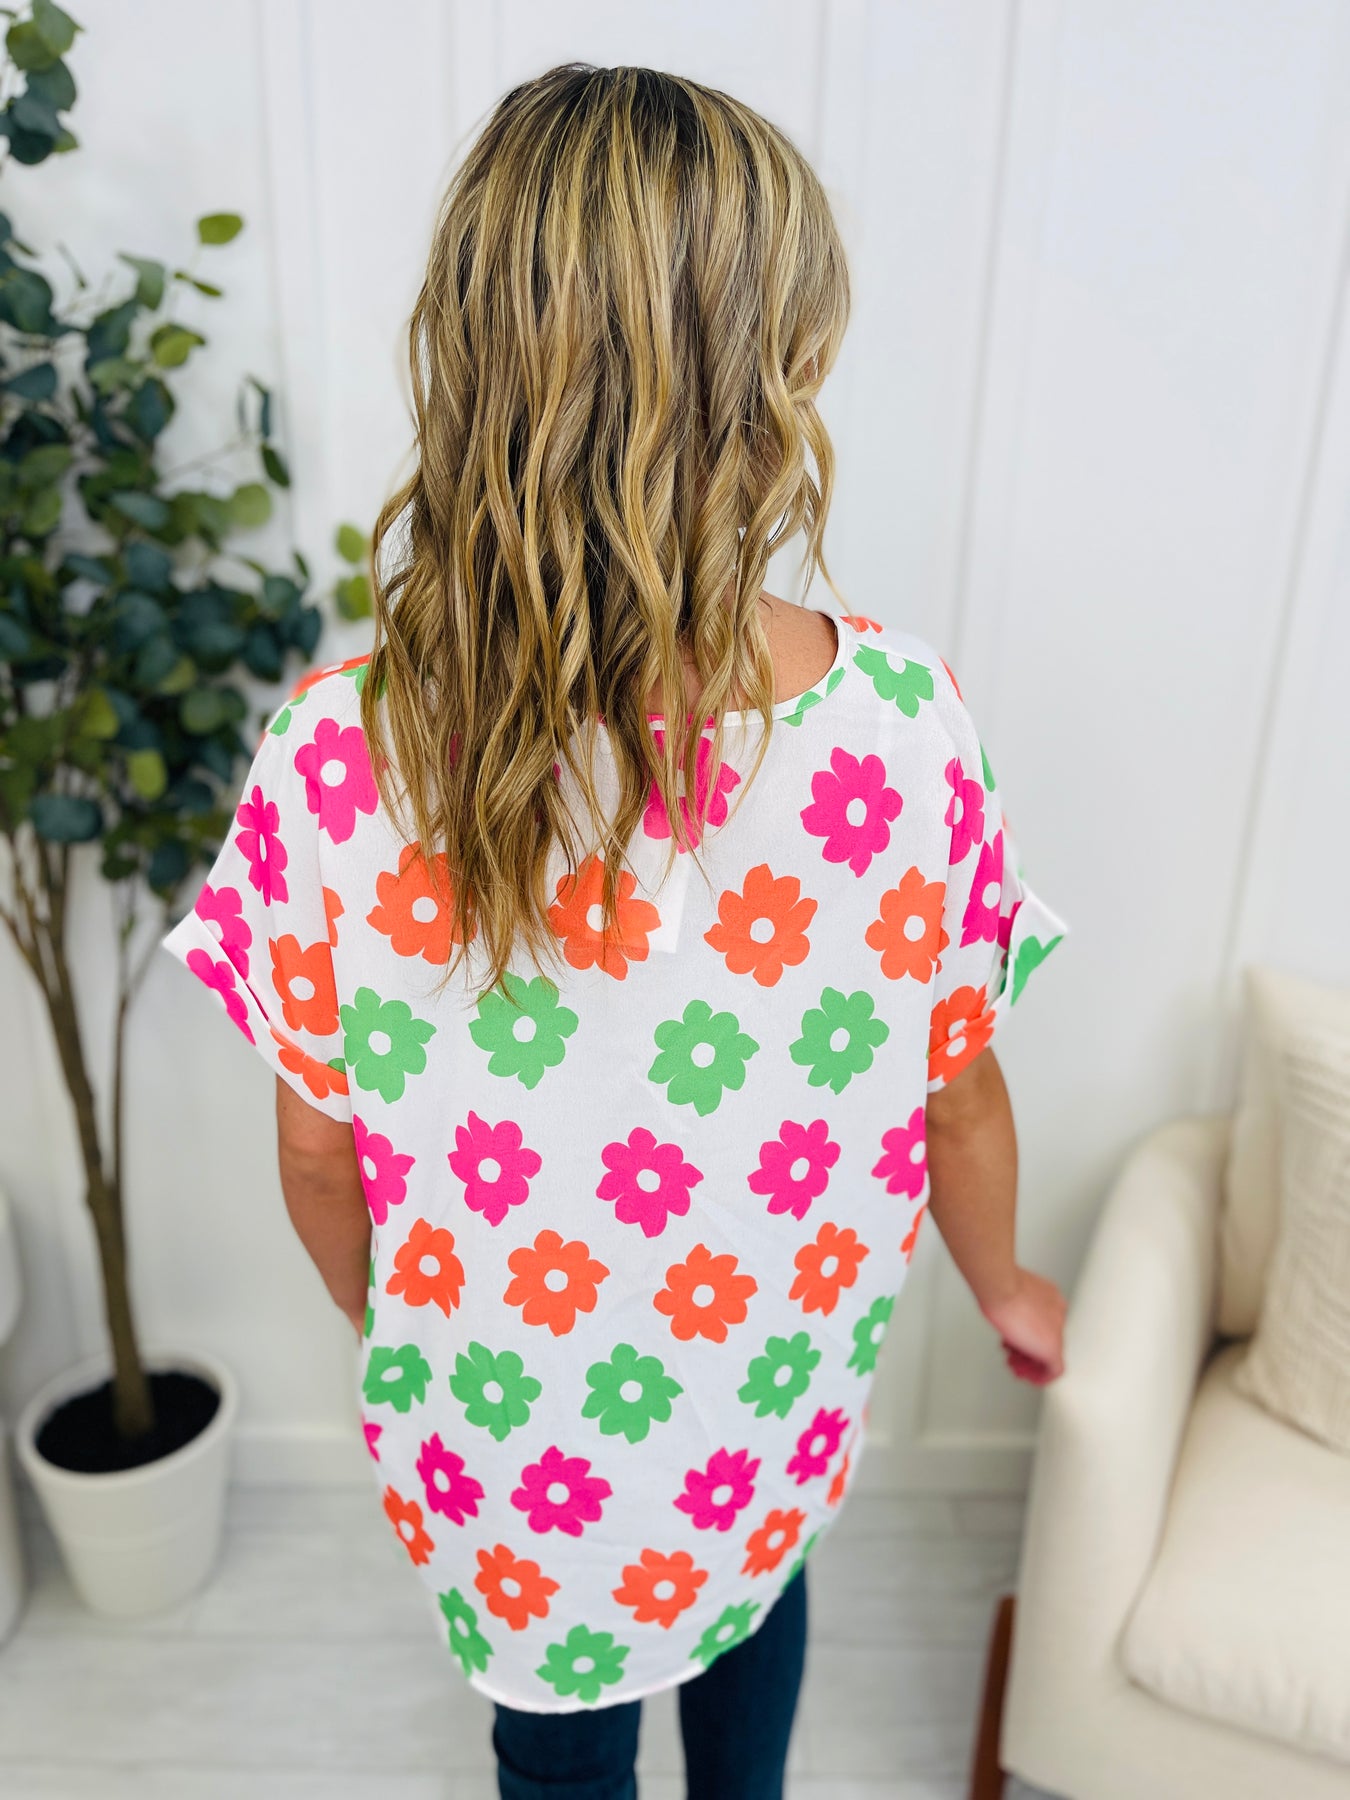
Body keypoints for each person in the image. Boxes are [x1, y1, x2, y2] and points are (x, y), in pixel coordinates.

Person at [162, 61, 1070, 1800]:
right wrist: (1005, 1284)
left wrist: (410, 1334)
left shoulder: (338, 757)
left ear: (471, 356)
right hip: (766, 1385)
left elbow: (316, 1153)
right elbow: (954, 1094)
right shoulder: (898, 730)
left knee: (558, 1740)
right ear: (777, 374)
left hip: (510, 1432)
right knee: (754, 1597)